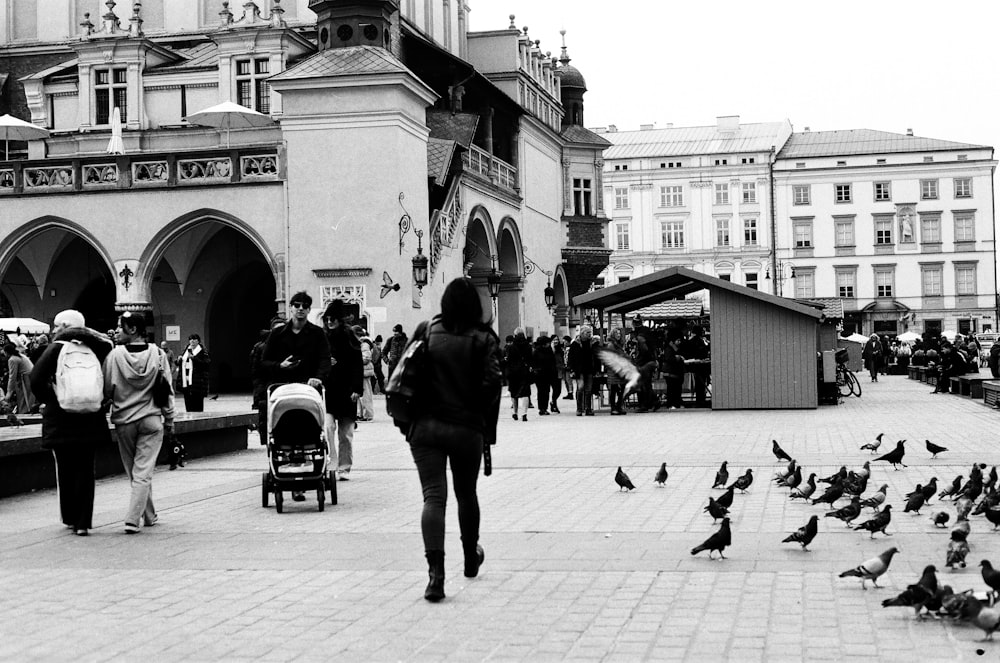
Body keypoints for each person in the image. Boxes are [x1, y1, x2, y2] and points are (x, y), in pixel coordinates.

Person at [407, 277, 502, 602]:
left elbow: (404, 372)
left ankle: (436, 576)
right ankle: (470, 557)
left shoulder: (427, 330)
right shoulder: (483, 338)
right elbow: (492, 383)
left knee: (433, 498)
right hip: (465, 429)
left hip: (427, 428)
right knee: (466, 494)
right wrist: (474, 411)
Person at [29, 310, 113, 537]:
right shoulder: (97, 348)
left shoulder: (56, 348)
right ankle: (83, 523)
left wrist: (52, 399)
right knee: (86, 469)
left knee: (65, 468)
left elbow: (35, 379)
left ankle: (69, 516)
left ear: (65, 326)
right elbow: (106, 380)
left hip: (62, 418)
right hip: (90, 418)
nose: (54, 330)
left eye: (56, 326)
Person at [104, 311, 175, 534]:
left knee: (136, 472)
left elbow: (107, 389)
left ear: (132, 329)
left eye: (120, 326)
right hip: (152, 420)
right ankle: (149, 515)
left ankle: (132, 519)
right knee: (142, 471)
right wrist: (170, 418)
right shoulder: (158, 354)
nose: (116, 330)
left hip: (124, 422)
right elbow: (167, 389)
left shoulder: (114, 356)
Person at [261, 291, 331, 499]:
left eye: (305, 306)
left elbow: (325, 359)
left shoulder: (317, 334)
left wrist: (318, 377)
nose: (300, 309)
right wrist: (280, 365)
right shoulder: (278, 334)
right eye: (297, 305)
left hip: (308, 389)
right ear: (291, 308)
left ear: (309, 310)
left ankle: (306, 472)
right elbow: (263, 362)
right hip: (283, 389)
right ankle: (289, 473)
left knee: (310, 430)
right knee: (283, 432)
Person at [323, 300, 363, 480]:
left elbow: (357, 364)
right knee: (328, 427)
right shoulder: (323, 337)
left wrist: (357, 388)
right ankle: (332, 461)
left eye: (333, 319)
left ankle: (344, 467)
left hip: (347, 391)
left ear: (340, 320)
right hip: (329, 391)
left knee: (345, 434)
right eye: (327, 319)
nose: (330, 322)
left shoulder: (349, 336)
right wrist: (326, 364)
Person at [567, 325, 600, 416]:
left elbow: (597, 357)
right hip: (579, 369)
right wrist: (571, 369)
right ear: (582, 333)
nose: (590, 334)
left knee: (589, 390)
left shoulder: (593, 343)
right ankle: (579, 408)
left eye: (590, 332)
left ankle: (588, 408)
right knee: (580, 388)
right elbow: (571, 357)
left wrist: (597, 369)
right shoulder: (575, 344)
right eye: (587, 332)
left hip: (589, 369)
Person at [176, 334, 210, 412]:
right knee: (188, 402)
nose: (192, 341)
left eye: (194, 339)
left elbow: (206, 364)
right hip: (186, 381)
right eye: (190, 339)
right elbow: (179, 362)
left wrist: (194, 358)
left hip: (197, 382)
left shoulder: (202, 351)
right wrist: (179, 359)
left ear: (198, 341)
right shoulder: (186, 350)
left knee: (197, 403)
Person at [504, 328, 533, 421]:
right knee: (525, 393)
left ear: (515, 335)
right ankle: (524, 413)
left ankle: (515, 412)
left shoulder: (511, 346)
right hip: (524, 371)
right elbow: (530, 359)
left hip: (513, 372)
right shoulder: (528, 346)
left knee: (514, 392)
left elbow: (508, 360)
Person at [6, 337, 35, 415]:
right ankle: (27, 411)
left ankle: (24, 413)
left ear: (7, 352)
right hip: (31, 376)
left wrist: (9, 392)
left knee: (24, 398)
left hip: (25, 379)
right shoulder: (21, 356)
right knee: (29, 398)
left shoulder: (12, 359)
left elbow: (12, 376)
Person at [531, 335, 557, 416]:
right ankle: (541, 408)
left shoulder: (549, 350)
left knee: (546, 391)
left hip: (548, 374)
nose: (549, 344)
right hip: (539, 374)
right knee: (541, 391)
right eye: (547, 343)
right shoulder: (536, 351)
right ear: (543, 344)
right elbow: (533, 362)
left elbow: (553, 361)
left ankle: (544, 408)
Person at [604, 328, 628, 415]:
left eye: (619, 333)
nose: (619, 335)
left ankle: (618, 406)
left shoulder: (619, 344)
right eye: (617, 333)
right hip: (614, 370)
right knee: (614, 389)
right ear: (613, 334)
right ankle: (614, 408)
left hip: (620, 369)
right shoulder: (611, 345)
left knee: (621, 389)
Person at [661, 332, 686, 410]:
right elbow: (669, 358)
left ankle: (675, 403)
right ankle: (672, 404)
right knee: (672, 389)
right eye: (678, 340)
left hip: (673, 372)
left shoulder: (674, 348)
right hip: (671, 372)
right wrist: (678, 358)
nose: (679, 342)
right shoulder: (669, 348)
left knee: (675, 389)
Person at [356, 326, 375, 421]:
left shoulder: (364, 344)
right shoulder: (360, 344)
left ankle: (368, 414)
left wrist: (355, 362)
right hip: (361, 371)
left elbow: (366, 358)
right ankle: (360, 414)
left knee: (366, 394)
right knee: (359, 395)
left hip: (364, 372)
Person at [561, 335, 574, 400]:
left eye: (565, 341)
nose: (564, 343)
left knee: (569, 380)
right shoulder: (563, 349)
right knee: (566, 380)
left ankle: (571, 393)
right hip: (564, 366)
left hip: (568, 366)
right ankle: (568, 392)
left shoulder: (571, 348)